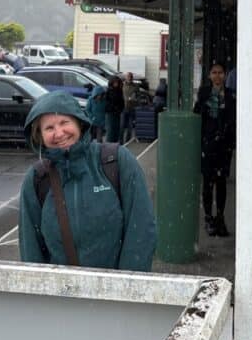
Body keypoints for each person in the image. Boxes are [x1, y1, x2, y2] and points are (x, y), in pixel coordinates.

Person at [18, 91, 157, 270]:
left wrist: (127, 286)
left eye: (64, 122)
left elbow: (141, 230)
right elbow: (31, 248)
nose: (59, 133)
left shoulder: (116, 161)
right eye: (49, 128)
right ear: (40, 136)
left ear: (79, 122)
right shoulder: (37, 179)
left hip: (115, 290)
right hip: (64, 294)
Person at [194, 62, 236, 237]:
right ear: (209, 75)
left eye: (220, 72)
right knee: (208, 182)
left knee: (221, 183)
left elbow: (233, 118)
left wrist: (231, 141)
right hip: (208, 143)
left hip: (224, 145)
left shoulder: (230, 95)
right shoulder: (204, 93)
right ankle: (208, 218)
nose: (217, 76)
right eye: (214, 73)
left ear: (225, 75)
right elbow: (197, 115)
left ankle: (220, 217)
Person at [104, 75, 124, 144]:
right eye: (115, 82)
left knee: (116, 130)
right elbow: (107, 103)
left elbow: (121, 101)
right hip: (110, 113)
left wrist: (120, 109)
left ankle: (114, 144)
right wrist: (114, 108)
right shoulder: (109, 91)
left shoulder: (119, 91)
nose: (116, 84)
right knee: (110, 130)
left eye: (117, 82)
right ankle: (109, 145)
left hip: (117, 113)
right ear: (112, 83)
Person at [121, 72, 138, 143]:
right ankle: (121, 141)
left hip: (132, 108)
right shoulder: (122, 85)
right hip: (123, 107)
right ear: (125, 77)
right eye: (128, 76)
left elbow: (138, 96)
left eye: (130, 77)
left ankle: (128, 140)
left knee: (130, 126)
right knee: (121, 125)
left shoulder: (135, 86)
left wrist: (134, 98)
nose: (129, 78)